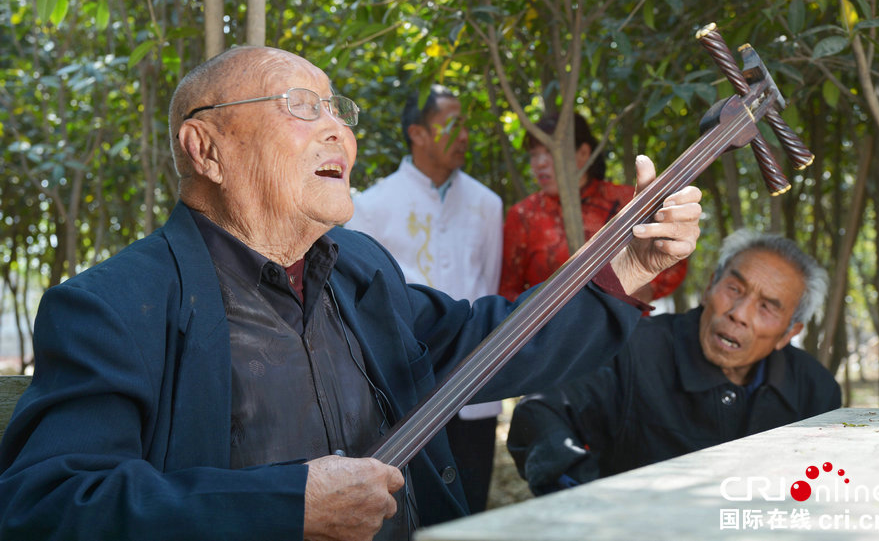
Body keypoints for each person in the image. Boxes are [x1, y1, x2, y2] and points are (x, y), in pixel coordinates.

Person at [0, 46, 701, 541]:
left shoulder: (359, 269)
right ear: (205, 149)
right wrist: (286, 505)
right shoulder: (118, 304)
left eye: (339, 110)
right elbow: (47, 501)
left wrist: (629, 266)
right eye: (300, 107)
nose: (339, 129)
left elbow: (489, 340)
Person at [507, 229, 841, 497]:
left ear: (789, 332)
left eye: (767, 307)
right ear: (710, 286)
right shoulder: (632, 349)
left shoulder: (815, 391)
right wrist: (594, 504)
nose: (739, 313)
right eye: (734, 288)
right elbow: (539, 413)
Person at [345, 85, 503, 513]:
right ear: (417, 133)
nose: (465, 135)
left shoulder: (487, 205)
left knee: (471, 507)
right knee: (409, 509)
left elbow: (487, 284)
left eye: (466, 124)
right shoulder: (372, 206)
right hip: (403, 387)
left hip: (474, 379)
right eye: (452, 124)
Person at [499, 112, 689, 304]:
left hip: (626, 325)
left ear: (583, 153)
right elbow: (508, 290)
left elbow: (673, 258)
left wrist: (644, 288)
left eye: (550, 151)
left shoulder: (627, 201)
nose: (539, 163)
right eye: (534, 155)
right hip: (552, 331)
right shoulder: (523, 215)